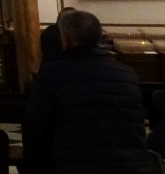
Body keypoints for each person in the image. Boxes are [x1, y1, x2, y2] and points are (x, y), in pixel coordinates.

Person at [22, 10, 148, 174]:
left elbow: (35, 129)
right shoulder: (127, 74)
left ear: (66, 39)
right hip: (129, 167)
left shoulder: (52, 75)